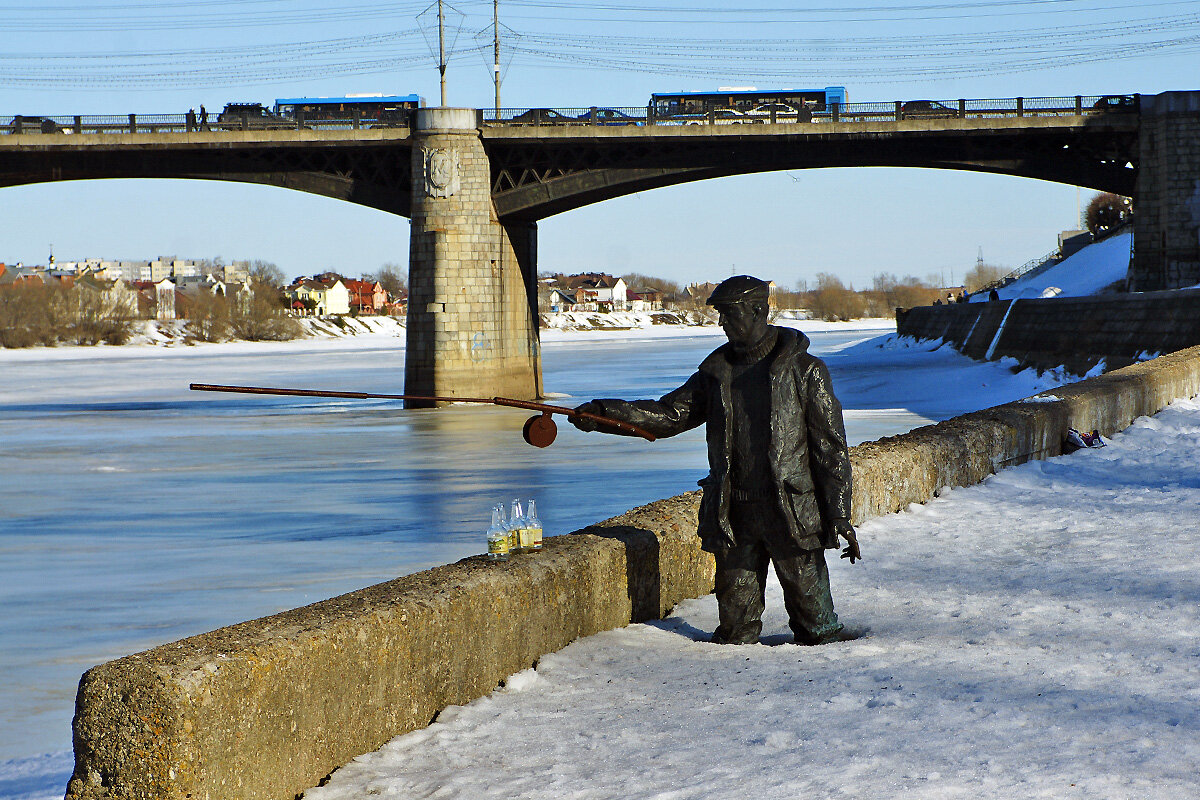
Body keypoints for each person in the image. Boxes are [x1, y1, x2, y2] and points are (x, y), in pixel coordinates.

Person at [571, 275, 860, 646]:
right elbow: (669, 415)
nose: (721, 323)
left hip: (791, 512)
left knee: (817, 626)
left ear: (758, 309)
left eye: (728, 313)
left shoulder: (806, 371)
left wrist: (839, 514)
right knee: (735, 630)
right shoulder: (715, 374)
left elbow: (830, 449)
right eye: (719, 315)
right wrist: (605, 415)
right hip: (734, 513)